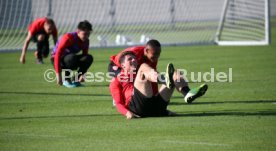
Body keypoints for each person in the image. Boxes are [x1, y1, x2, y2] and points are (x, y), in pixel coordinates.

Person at [109, 51, 208, 119]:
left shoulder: (143, 73)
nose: (134, 60)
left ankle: (186, 93)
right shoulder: (116, 81)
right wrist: (127, 113)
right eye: (130, 59)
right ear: (122, 65)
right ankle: (165, 80)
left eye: (134, 58)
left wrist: (164, 111)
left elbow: (153, 92)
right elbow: (118, 103)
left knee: (176, 73)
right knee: (143, 67)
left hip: (153, 107)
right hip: (137, 108)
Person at [51, 20, 93, 88]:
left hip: (70, 59)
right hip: (56, 59)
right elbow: (57, 55)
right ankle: (66, 80)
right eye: (84, 34)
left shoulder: (86, 41)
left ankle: (76, 80)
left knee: (88, 58)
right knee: (72, 58)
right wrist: (58, 76)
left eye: (88, 34)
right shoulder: (68, 37)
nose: (86, 36)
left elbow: (85, 56)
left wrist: (83, 75)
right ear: (78, 31)